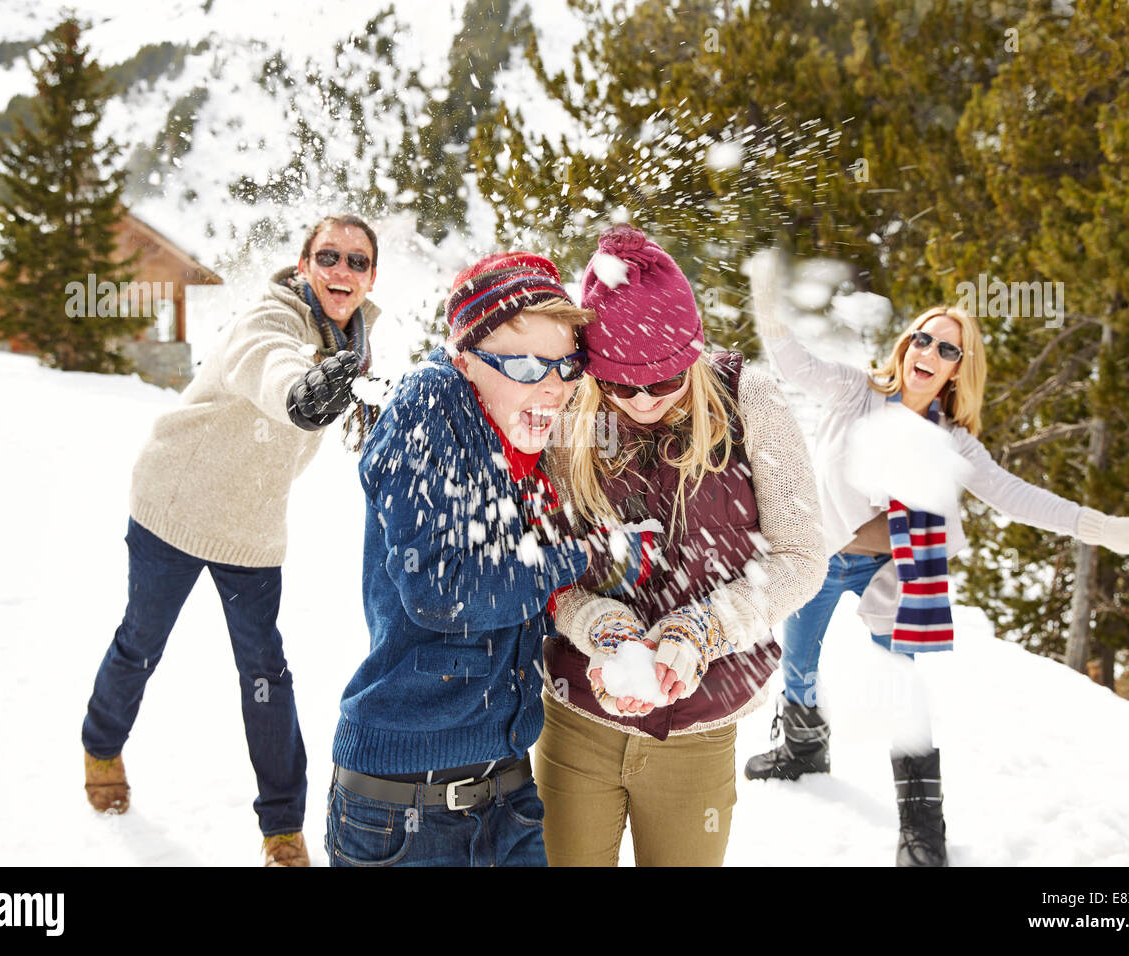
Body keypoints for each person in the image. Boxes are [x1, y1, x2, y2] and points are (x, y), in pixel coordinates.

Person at [741, 250, 1129, 866]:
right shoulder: (856, 392)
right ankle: (801, 749)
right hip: (821, 555)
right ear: (906, 346)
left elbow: (1016, 496)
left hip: (892, 572)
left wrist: (1108, 529)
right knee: (798, 663)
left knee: (900, 690)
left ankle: (922, 831)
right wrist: (768, 305)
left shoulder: (954, 443)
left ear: (957, 369)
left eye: (946, 348)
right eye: (921, 338)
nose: (928, 352)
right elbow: (794, 363)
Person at [81, 214, 381, 867]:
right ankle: (101, 744)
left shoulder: (355, 347)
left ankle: (281, 829)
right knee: (141, 642)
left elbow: (360, 407)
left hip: (250, 525)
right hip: (175, 505)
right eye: (328, 256)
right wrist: (296, 393)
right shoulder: (270, 316)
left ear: (370, 278)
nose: (342, 270)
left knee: (265, 674)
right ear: (303, 267)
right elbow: (265, 362)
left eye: (357, 261)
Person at [535, 226, 826, 866]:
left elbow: (802, 557)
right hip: (577, 722)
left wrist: (699, 632)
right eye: (620, 386)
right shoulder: (569, 417)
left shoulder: (749, 399)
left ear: (691, 353)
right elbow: (543, 568)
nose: (641, 402)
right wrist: (602, 628)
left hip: (699, 731)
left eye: (663, 383)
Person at [324, 251, 595, 867]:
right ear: (465, 356)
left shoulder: (524, 441)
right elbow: (446, 591)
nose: (553, 385)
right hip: (403, 811)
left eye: (567, 364)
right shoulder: (431, 401)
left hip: (509, 794)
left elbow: (526, 590)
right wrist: (581, 555)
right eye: (526, 364)